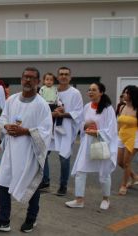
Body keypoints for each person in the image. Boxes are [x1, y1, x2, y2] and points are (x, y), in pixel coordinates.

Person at [0, 67, 52, 233]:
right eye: (25, 77)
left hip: (30, 152)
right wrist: (5, 126)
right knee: (3, 183)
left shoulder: (42, 105)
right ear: (21, 80)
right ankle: (3, 220)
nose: (28, 80)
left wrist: (26, 131)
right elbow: (2, 120)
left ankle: (31, 218)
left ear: (38, 82)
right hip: (11, 150)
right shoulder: (12, 100)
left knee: (32, 185)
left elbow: (45, 130)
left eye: (32, 78)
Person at [65, 82, 117, 210]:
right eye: (89, 90)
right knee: (80, 170)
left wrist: (98, 132)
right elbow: (81, 123)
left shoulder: (108, 108)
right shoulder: (87, 106)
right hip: (87, 142)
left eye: (94, 90)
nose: (90, 92)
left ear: (101, 92)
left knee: (104, 173)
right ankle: (79, 200)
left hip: (102, 143)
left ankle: (106, 199)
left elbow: (112, 129)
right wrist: (85, 125)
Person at [39, 67, 83, 196]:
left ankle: (63, 185)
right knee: (43, 154)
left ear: (70, 77)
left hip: (65, 129)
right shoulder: (51, 90)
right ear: (57, 77)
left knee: (64, 158)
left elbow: (79, 113)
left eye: (66, 74)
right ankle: (45, 181)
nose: (64, 76)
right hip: (50, 128)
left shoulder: (75, 93)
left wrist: (63, 114)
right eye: (61, 74)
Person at [117, 85, 138, 195]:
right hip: (121, 136)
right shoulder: (121, 107)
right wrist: (116, 133)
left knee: (126, 163)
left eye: (126, 92)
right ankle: (134, 176)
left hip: (133, 137)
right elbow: (119, 122)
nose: (124, 94)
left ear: (132, 95)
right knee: (119, 162)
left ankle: (123, 185)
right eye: (124, 92)